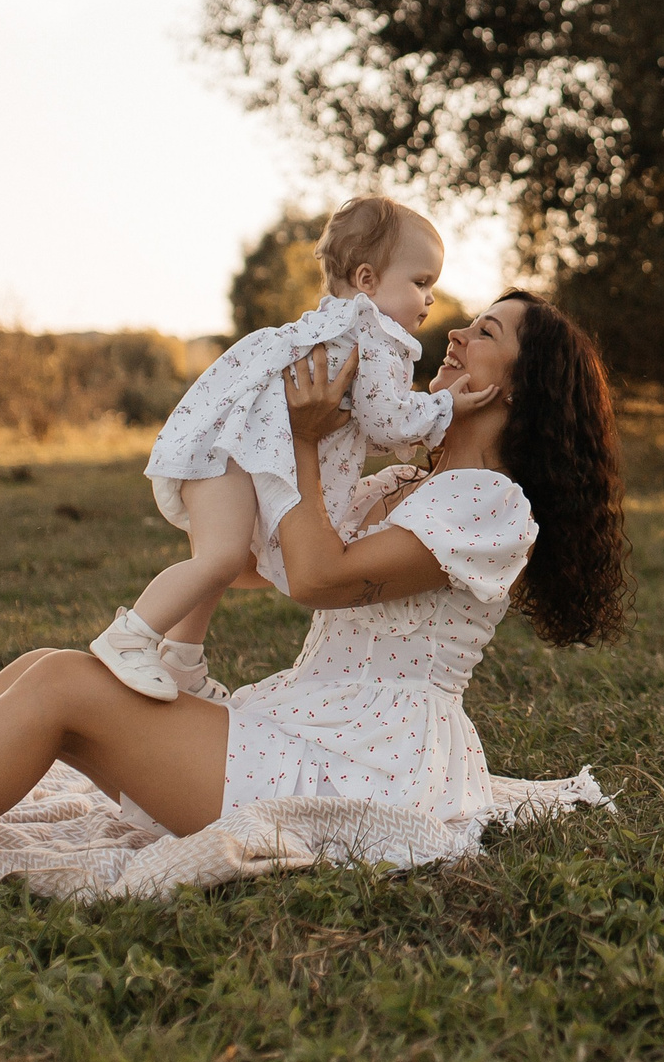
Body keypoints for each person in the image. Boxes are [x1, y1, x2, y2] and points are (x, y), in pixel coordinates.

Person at [0, 292, 629, 935]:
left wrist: (316, 439)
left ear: (520, 389)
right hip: (300, 725)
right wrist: (256, 426)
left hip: (366, 765)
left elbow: (319, 577)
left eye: (486, 331)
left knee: (60, 685)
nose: (456, 329)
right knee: (45, 668)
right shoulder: (403, 485)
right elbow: (272, 566)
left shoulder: (490, 507)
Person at [92, 195, 485, 702]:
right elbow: (386, 421)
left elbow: (361, 422)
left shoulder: (337, 325)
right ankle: (131, 637)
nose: (429, 299)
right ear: (367, 281)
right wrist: (444, 409)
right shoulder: (373, 339)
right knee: (220, 556)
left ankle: (182, 659)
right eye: (421, 282)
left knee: (224, 560)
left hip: (233, 447)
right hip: (235, 452)